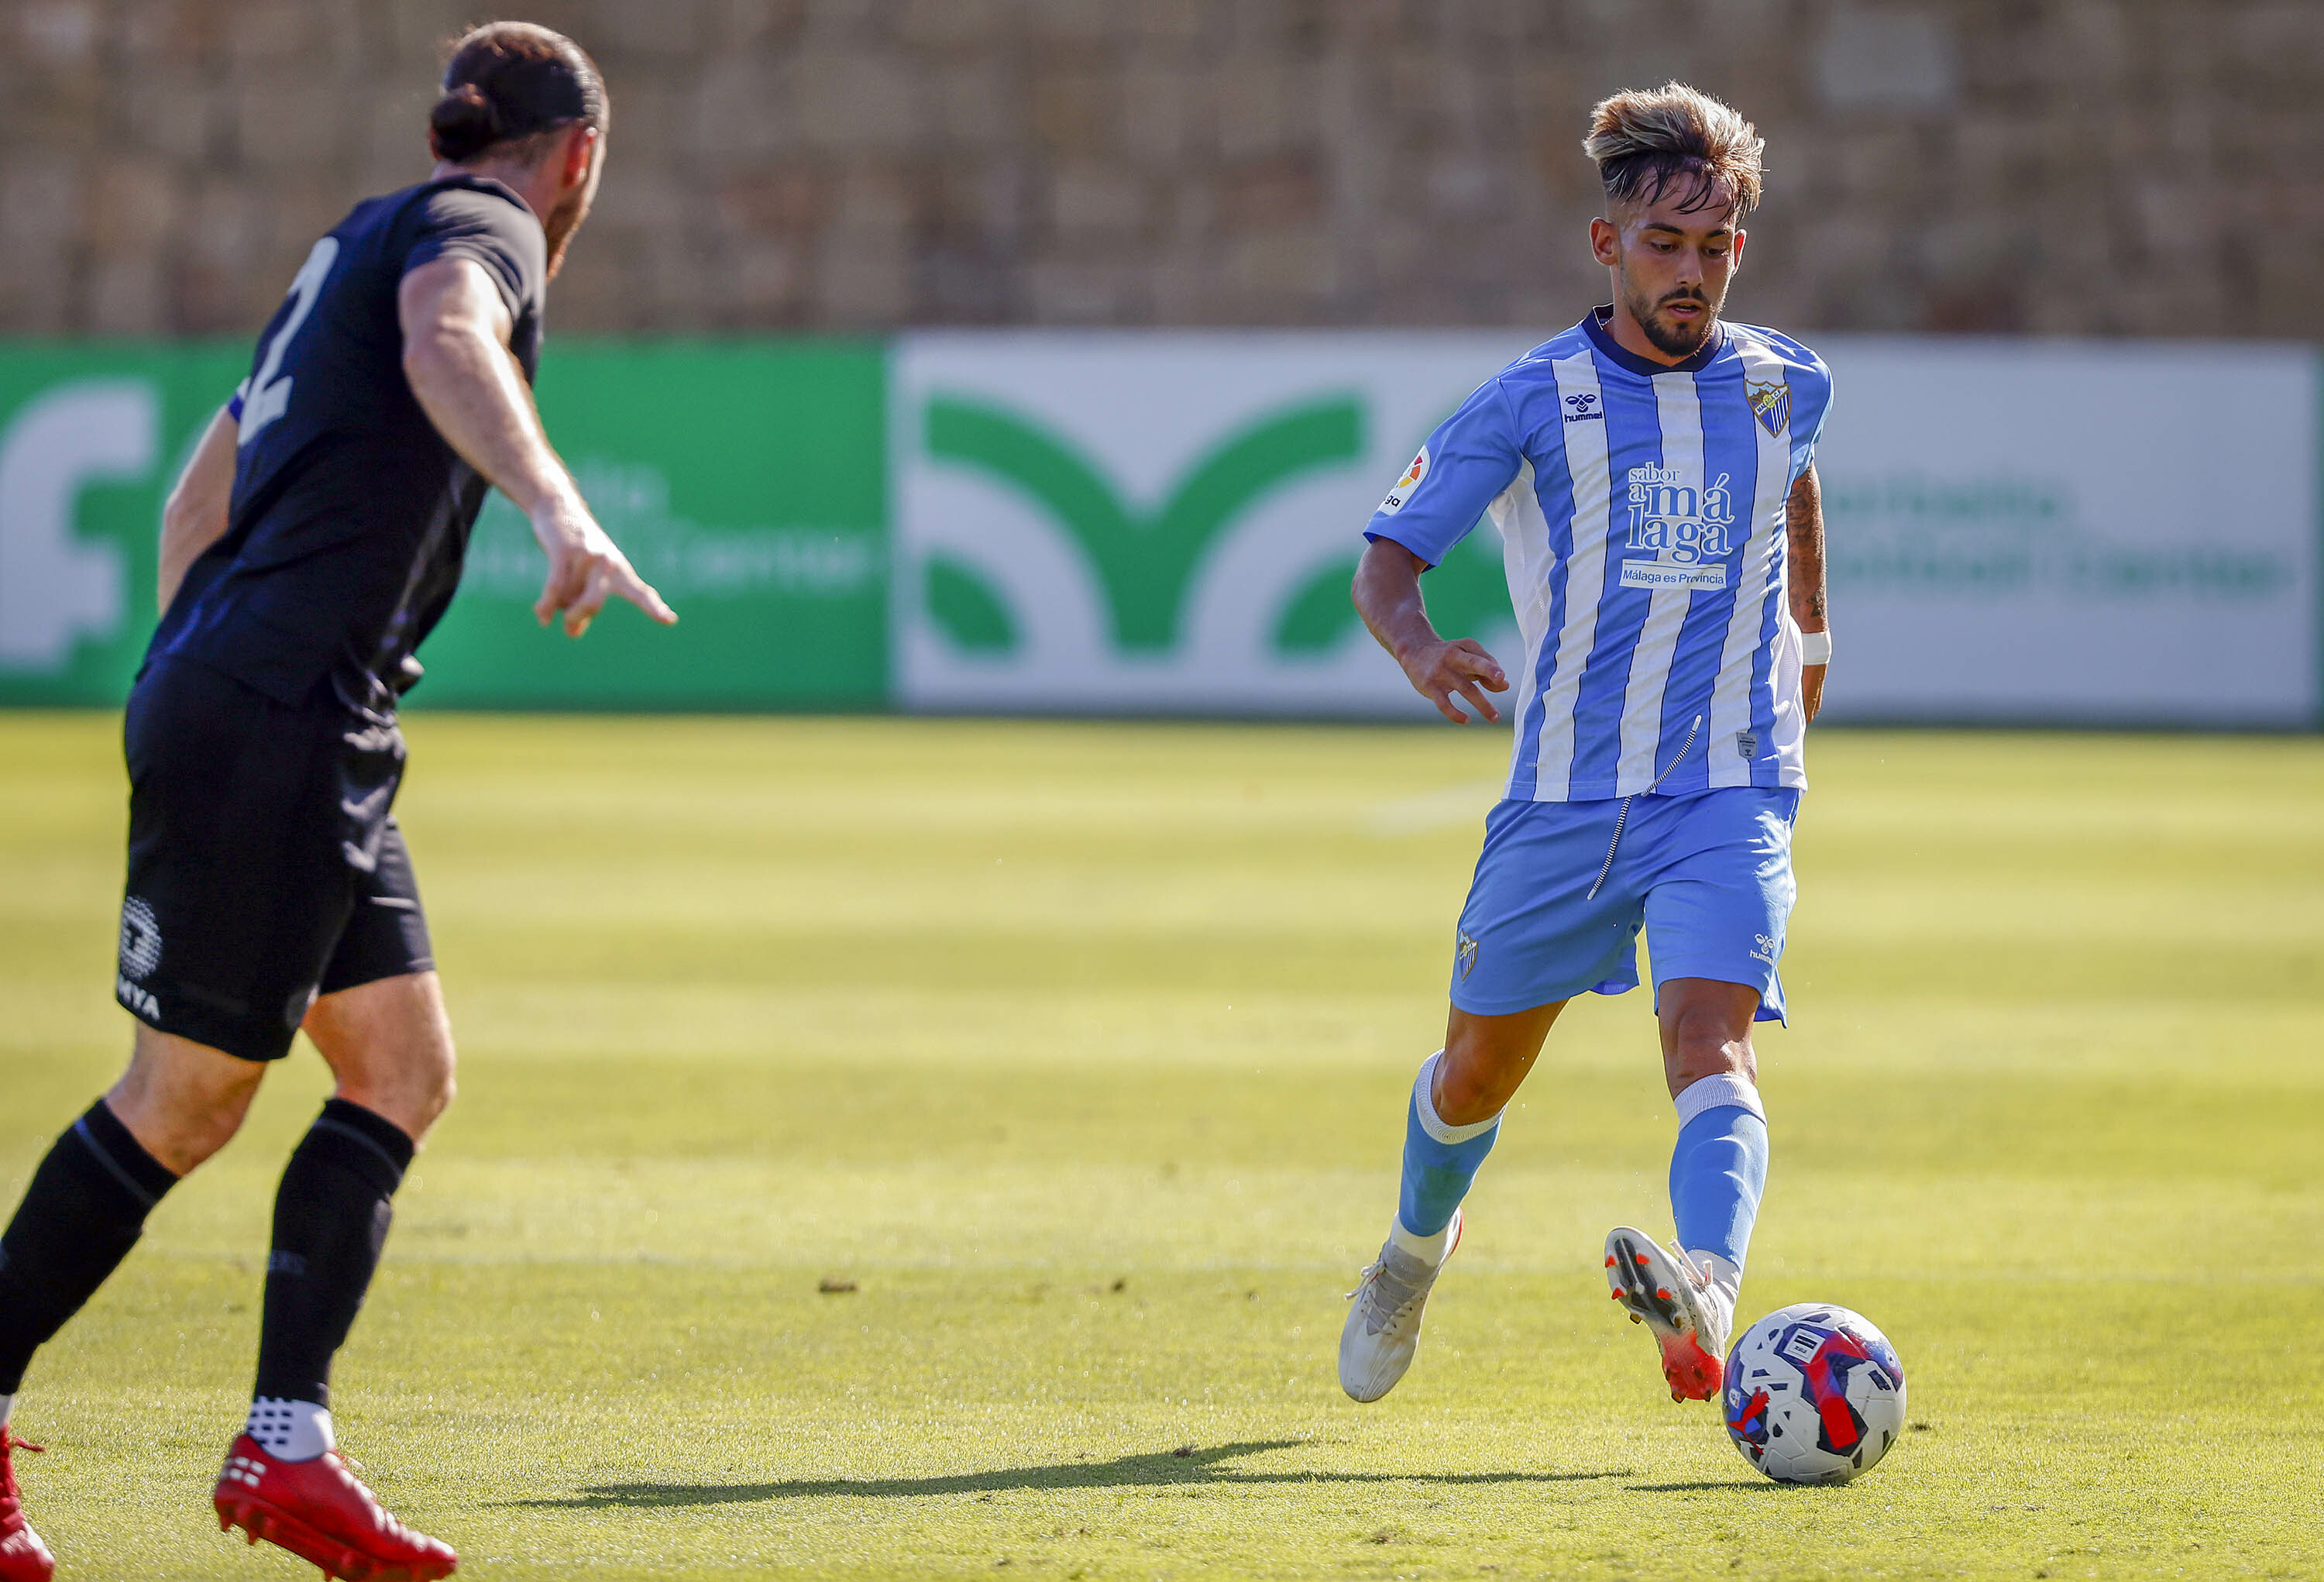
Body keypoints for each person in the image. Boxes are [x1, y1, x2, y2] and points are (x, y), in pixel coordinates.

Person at [0, 22, 672, 1580]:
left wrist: (197, 680)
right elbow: (454, 338)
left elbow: (197, 501)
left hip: (284, 708)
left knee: (400, 1066)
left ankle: (284, 1442)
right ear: (577, 157)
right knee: (181, 1103)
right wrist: (558, 510)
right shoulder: (480, 232)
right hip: (284, 714)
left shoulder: (356, 239)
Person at [1336, 83, 1833, 1416]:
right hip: (1564, 798)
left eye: (1714, 247)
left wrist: (1815, 632)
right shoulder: (1531, 401)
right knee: (1476, 1074)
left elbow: (1796, 476)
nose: (1691, 273)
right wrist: (1420, 648)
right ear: (1607, 244)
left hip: (1729, 783)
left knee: (1709, 1042)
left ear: (1740, 249)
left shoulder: (1787, 381)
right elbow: (1386, 563)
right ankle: (1407, 1258)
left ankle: (1711, 1294)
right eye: (1663, 245)